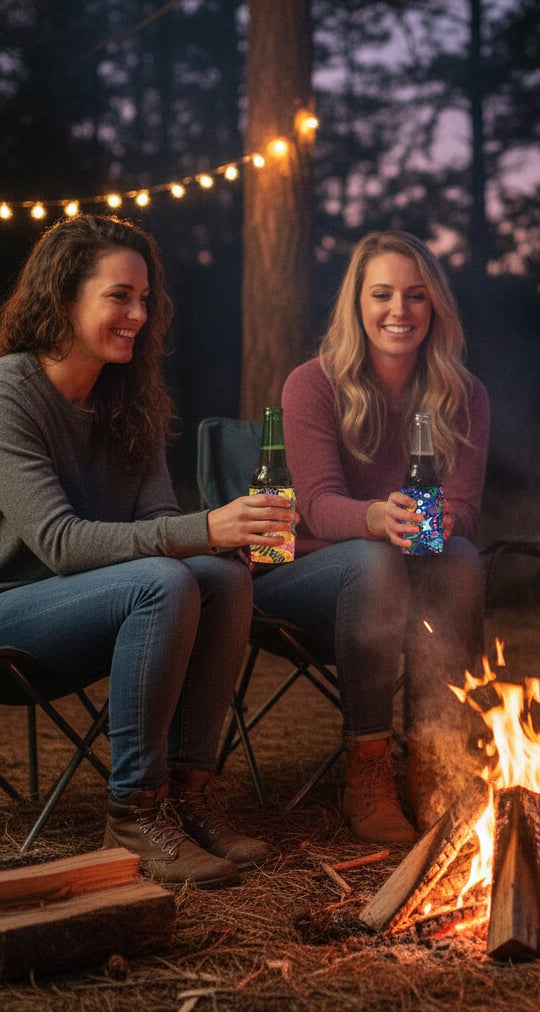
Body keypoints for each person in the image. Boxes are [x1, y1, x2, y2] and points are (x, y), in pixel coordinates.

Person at [0, 214, 292, 887]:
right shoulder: (14, 390)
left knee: (221, 573)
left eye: (144, 298)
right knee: (162, 579)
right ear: (64, 296)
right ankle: (133, 812)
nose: (137, 313)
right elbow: (60, 543)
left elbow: (164, 524)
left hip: (97, 609)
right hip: (14, 612)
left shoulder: (131, 400)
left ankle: (187, 796)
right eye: (118, 296)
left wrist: (221, 538)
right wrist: (205, 525)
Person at [253, 230, 490, 844]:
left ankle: (438, 760)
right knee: (373, 561)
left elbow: (463, 508)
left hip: (410, 563)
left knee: (460, 558)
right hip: (310, 574)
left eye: (415, 296)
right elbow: (317, 506)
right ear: (357, 303)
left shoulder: (463, 394)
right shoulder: (313, 383)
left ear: (434, 304)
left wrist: (427, 522)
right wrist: (380, 520)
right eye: (382, 294)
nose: (399, 311)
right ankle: (369, 767)